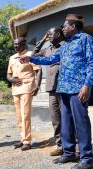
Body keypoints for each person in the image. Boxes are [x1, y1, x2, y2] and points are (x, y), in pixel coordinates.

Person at [17, 14, 93, 169]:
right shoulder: (66, 44)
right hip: (63, 89)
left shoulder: (86, 39)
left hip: (78, 89)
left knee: (81, 122)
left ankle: (87, 158)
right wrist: (31, 59)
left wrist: (87, 85)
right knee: (66, 123)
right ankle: (68, 153)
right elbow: (50, 60)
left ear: (73, 26)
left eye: (65, 26)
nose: (63, 28)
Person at [31, 27, 65, 156]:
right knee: (56, 120)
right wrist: (42, 40)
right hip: (51, 89)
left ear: (59, 34)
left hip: (64, 89)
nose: (49, 35)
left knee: (67, 119)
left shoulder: (65, 47)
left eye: (51, 33)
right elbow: (33, 55)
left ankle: (72, 147)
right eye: (48, 34)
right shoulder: (47, 50)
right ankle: (60, 145)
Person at [7, 37, 42, 151]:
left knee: (25, 114)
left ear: (24, 44)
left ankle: (27, 141)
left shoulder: (30, 54)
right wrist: (11, 79)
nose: (15, 46)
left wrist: (37, 86)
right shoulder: (12, 58)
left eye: (17, 44)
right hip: (15, 89)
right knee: (19, 116)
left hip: (27, 87)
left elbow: (38, 70)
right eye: (14, 44)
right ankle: (23, 139)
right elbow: (8, 74)